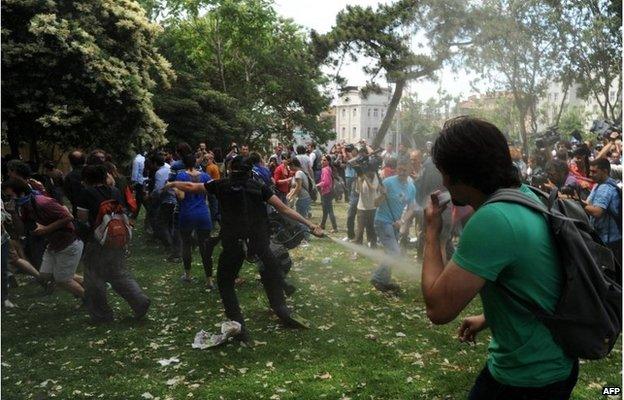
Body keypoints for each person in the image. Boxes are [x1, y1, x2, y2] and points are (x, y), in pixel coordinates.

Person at [422, 116, 577, 399]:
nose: (442, 180)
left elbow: (438, 309)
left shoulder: (492, 219)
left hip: (527, 377)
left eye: (443, 171)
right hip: (554, 362)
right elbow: (536, 280)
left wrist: (431, 233)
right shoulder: (526, 196)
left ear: (459, 174)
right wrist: (488, 317)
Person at [166, 156, 323, 342]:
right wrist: (310, 225)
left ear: (231, 169)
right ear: (250, 171)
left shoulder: (221, 185)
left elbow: (192, 188)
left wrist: (172, 183)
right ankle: (283, 312)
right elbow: (284, 209)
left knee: (225, 282)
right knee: (271, 272)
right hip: (259, 240)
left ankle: (239, 328)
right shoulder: (258, 187)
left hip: (233, 241)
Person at [76, 164, 150, 323]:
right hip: (117, 239)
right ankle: (139, 300)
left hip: (97, 241)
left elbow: (82, 219)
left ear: (86, 179)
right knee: (118, 273)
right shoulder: (114, 191)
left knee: (93, 278)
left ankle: (102, 315)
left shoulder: (85, 194)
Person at [3, 178, 85, 301]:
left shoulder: (42, 202)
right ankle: (89, 283)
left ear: (20, 192)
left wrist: (46, 229)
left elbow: (69, 217)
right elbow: (20, 231)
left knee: (62, 280)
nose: (9, 200)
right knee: (46, 275)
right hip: (53, 244)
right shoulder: (23, 206)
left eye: (10, 196)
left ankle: (91, 300)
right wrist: (13, 213)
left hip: (68, 243)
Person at [371, 159, 416, 292]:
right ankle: (378, 277)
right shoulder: (387, 182)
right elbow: (375, 203)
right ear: (396, 169)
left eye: (405, 170)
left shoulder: (411, 187)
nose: (402, 172)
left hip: (395, 224)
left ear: (409, 170)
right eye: (399, 169)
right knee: (394, 252)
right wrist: (382, 196)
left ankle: (384, 282)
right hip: (382, 221)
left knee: (389, 253)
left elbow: (411, 208)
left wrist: (401, 221)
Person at [174, 154, 216, 287]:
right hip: (203, 213)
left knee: (186, 244)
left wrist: (175, 189)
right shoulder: (205, 177)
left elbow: (180, 197)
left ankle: (187, 274)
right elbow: (211, 194)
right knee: (205, 246)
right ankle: (209, 279)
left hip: (187, 213)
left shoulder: (181, 177)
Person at [584, 158, 622, 268]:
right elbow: (588, 203)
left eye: (594, 172)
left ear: (605, 171)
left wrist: (579, 203)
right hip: (602, 237)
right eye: (590, 171)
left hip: (611, 240)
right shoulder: (598, 185)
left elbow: (597, 211)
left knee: (612, 273)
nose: (590, 174)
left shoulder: (606, 188)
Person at [152, 153, 180, 261]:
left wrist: (152, 196)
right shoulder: (169, 167)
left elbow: (159, 189)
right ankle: (174, 244)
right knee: (171, 224)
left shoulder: (159, 173)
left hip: (167, 200)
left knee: (161, 224)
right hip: (175, 198)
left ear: (154, 163)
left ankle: (169, 245)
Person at [286, 158, 312, 240]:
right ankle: (303, 236)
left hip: (302, 198)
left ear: (293, 165)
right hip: (303, 198)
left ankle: (305, 238)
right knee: (301, 218)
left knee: (301, 218)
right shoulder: (299, 172)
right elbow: (295, 187)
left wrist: (291, 196)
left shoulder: (298, 173)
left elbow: (298, 187)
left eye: (289, 166)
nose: (289, 168)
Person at [316, 155, 337, 232]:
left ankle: (335, 228)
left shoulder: (325, 169)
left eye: (324, 160)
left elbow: (326, 182)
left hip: (326, 192)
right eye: (322, 160)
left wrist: (317, 185)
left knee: (329, 210)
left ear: (328, 161)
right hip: (328, 191)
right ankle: (322, 224)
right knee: (325, 210)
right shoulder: (328, 168)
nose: (322, 161)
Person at [130, 150, 146, 220]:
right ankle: (135, 214)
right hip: (145, 181)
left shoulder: (136, 160)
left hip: (139, 182)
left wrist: (133, 184)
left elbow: (134, 174)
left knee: (139, 199)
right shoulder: (143, 158)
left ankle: (135, 215)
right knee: (140, 198)